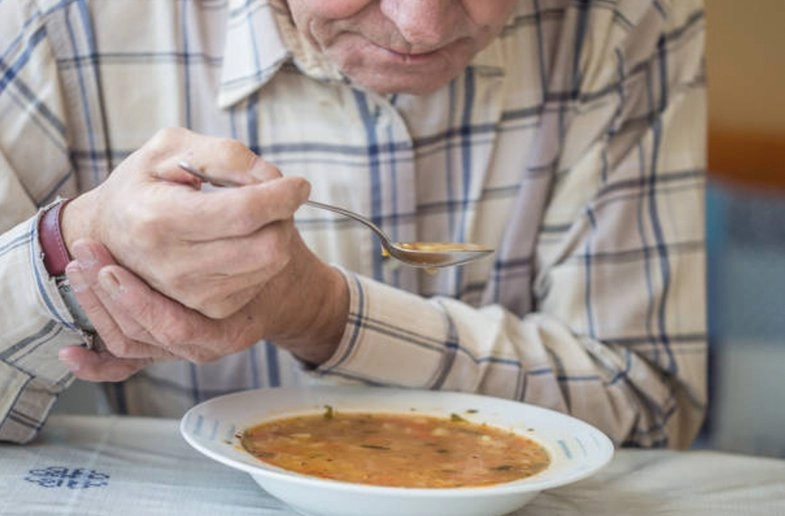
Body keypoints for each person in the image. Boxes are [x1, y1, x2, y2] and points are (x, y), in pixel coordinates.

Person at [0, 0, 707, 448]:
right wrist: (69, 245)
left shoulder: (627, 22)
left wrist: (323, 312)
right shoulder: (50, 21)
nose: (420, 24)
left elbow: (648, 405)